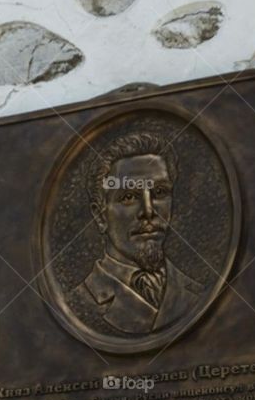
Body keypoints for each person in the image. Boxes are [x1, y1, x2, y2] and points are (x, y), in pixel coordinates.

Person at [70, 131, 204, 335]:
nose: (149, 211)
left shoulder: (199, 292)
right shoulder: (76, 305)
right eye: (129, 196)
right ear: (100, 215)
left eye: (159, 193)